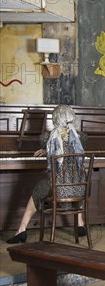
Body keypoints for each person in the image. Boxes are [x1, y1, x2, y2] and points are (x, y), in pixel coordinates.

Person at [7, 104, 89, 244]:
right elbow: (70, 149)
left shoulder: (47, 137)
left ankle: (21, 229)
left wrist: (47, 151)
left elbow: (56, 146)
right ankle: (80, 224)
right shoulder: (81, 137)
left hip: (59, 190)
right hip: (80, 188)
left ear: (55, 119)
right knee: (76, 177)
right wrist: (49, 152)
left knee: (40, 187)